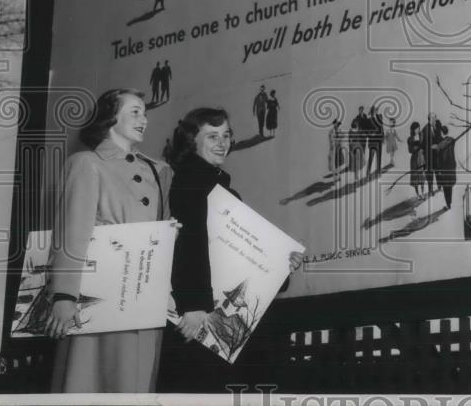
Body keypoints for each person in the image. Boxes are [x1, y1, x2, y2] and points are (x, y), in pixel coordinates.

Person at [157, 107, 302, 392]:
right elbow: (188, 245)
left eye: (226, 135)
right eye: (212, 136)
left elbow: (237, 252)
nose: (222, 143)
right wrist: (193, 305)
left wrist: (281, 263)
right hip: (200, 316)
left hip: (219, 317)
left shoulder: (220, 188)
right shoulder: (187, 183)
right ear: (191, 142)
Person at [44, 88, 173, 393]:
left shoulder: (157, 171)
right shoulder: (86, 162)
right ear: (110, 118)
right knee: (95, 380)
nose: (144, 119)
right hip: (99, 295)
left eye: (144, 112)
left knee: (137, 382)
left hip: (143, 296)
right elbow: (71, 232)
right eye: (135, 112)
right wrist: (64, 296)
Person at [434, 131, 458, 210]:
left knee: (445, 187)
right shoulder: (452, 140)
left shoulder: (440, 145)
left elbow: (439, 159)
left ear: (441, 133)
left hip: (444, 169)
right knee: (449, 187)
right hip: (451, 167)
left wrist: (439, 170)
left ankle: (448, 205)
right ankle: (449, 203)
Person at [407, 122, 425, 199]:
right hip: (414, 159)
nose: (418, 129)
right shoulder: (410, 139)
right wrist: (417, 148)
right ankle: (417, 195)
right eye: (417, 128)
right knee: (415, 178)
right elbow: (410, 150)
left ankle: (423, 193)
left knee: (422, 177)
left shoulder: (422, 135)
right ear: (413, 129)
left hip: (421, 158)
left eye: (419, 128)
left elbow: (425, 144)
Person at [365, 105, 383, 177]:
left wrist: (382, 137)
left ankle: (378, 172)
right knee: (371, 158)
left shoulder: (379, 118)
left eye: (374, 111)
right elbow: (366, 131)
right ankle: (368, 172)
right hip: (372, 142)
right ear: (371, 113)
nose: (373, 113)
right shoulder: (368, 121)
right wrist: (370, 134)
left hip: (379, 141)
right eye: (372, 112)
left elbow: (382, 129)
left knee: (379, 158)